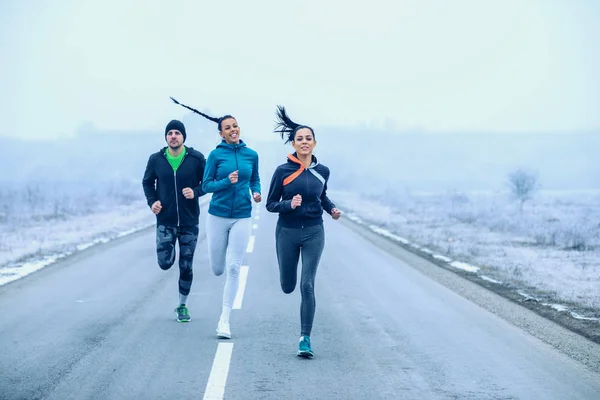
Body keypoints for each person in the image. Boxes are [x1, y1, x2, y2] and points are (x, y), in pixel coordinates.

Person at [171, 97, 261, 339]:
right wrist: (226, 181)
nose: (233, 130)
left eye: (235, 125)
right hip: (218, 216)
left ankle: (224, 320)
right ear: (221, 134)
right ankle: (221, 295)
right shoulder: (214, 155)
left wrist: (256, 191)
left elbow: (255, 178)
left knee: (234, 267)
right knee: (219, 268)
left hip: (243, 215)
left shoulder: (251, 154)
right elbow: (207, 185)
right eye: (228, 128)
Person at [266, 106, 341, 358]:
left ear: (315, 143)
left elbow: (322, 196)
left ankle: (304, 338)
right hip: (286, 232)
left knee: (307, 285)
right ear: (293, 143)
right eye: (300, 138)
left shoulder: (323, 171)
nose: (304, 142)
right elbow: (270, 204)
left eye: (308, 138)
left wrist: (331, 210)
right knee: (288, 286)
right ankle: (286, 280)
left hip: (313, 232)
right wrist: (289, 205)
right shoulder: (282, 172)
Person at [142, 119, 207, 323]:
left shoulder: (196, 158)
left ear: (183, 137)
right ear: (166, 137)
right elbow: (147, 182)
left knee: (186, 265)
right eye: (170, 133)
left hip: (189, 222)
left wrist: (195, 192)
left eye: (177, 133)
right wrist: (152, 202)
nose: (173, 136)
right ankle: (166, 261)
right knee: (165, 263)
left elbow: (206, 183)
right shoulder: (156, 159)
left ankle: (182, 305)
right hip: (165, 221)